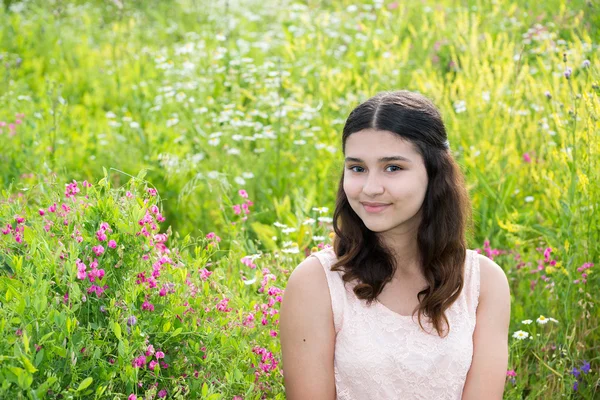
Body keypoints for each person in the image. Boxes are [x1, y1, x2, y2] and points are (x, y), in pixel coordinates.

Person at [279, 90, 511, 400]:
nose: (371, 188)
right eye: (357, 168)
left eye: (393, 168)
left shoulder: (484, 283)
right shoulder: (317, 283)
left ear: (434, 173)